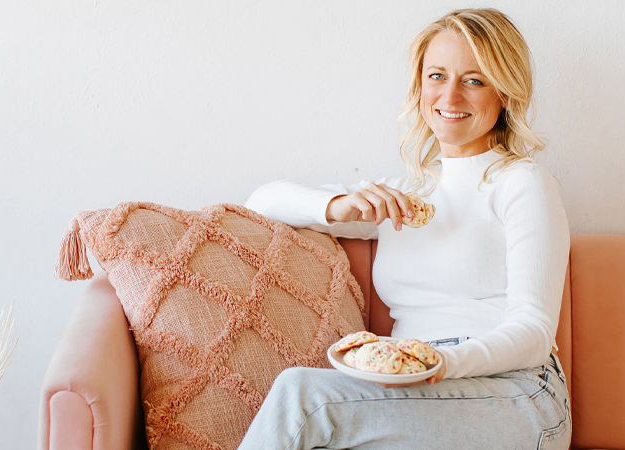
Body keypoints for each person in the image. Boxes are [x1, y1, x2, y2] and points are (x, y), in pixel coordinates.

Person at [238, 8, 571, 450]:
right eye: (437, 76)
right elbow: (260, 202)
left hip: (517, 391)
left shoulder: (522, 183)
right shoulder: (404, 195)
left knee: (304, 399)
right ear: (419, 87)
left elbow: (533, 333)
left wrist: (433, 362)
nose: (450, 96)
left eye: (474, 80)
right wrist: (338, 207)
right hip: (416, 387)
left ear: (504, 94)